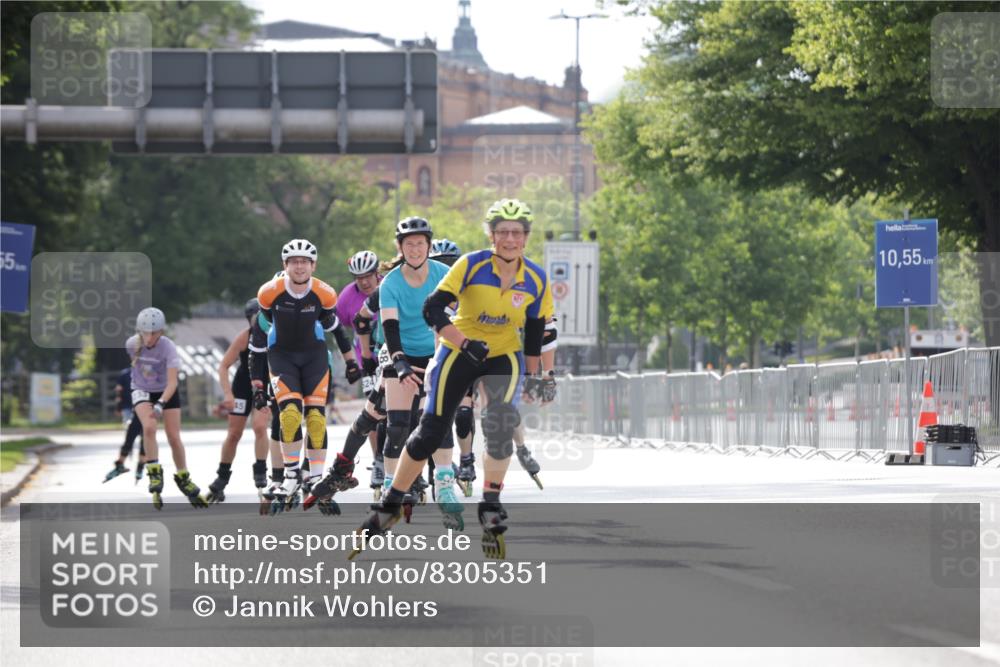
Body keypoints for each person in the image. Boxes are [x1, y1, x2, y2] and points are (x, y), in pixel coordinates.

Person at [352, 199, 556, 559]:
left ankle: (490, 505)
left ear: (525, 238)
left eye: (517, 233)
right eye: (502, 232)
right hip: (458, 349)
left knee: (500, 420)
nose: (509, 239)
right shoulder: (470, 265)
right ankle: (391, 504)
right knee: (431, 429)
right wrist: (463, 342)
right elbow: (432, 307)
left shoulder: (536, 278)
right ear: (491, 236)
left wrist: (539, 374)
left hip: (503, 355)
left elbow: (537, 331)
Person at [308, 217, 456, 522]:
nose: (415, 249)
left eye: (420, 243)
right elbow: (377, 324)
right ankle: (372, 478)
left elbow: (454, 316)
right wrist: (368, 362)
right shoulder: (385, 285)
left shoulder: (443, 275)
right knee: (392, 423)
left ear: (428, 246)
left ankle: (443, 482)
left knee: (432, 419)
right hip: (393, 351)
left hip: (433, 352)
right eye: (409, 244)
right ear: (399, 248)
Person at [249, 240, 361, 513]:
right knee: (288, 414)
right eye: (293, 261)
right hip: (282, 357)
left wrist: (350, 362)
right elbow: (257, 345)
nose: (299, 266)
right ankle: (289, 476)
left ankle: (316, 478)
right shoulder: (268, 293)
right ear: (285, 265)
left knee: (315, 418)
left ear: (313, 265)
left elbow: (337, 329)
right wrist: (258, 387)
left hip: (314, 358)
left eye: (304, 261)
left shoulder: (325, 294)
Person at [127, 307, 207, 509]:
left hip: (166, 391)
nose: (149, 337)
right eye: (145, 332)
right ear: (139, 331)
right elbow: (135, 373)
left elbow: (172, 383)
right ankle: (154, 471)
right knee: (149, 427)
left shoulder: (168, 348)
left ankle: (183, 476)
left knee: (173, 436)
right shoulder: (131, 345)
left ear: (161, 332)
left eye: (154, 333)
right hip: (142, 389)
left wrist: (161, 403)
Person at [204, 298, 272, 503]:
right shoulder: (245, 337)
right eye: (255, 319)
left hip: (265, 385)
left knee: (260, 427)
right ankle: (222, 477)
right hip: (243, 386)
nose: (258, 322)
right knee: (234, 433)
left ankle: (261, 470)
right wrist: (228, 394)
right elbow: (223, 365)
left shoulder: (274, 335)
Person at [335, 250, 384, 488]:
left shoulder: (390, 286)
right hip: (367, 359)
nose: (364, 282)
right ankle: (378, 461)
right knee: (373, 412)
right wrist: (352, 362)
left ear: (378, 273)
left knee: (397, 413)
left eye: (368, 276)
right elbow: (343, 326)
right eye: (358, 277)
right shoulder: (346, 297)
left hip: (392, 354)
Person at [102, 367, 145, 484]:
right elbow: (119, 390)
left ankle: (125, 463)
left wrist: (118, 406)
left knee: (133, 434)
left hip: (133, 407)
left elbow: (119, 391)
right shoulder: (145, 373)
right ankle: (138, 465)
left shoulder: (127, 373)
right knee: (143, 436)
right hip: (137, 408)